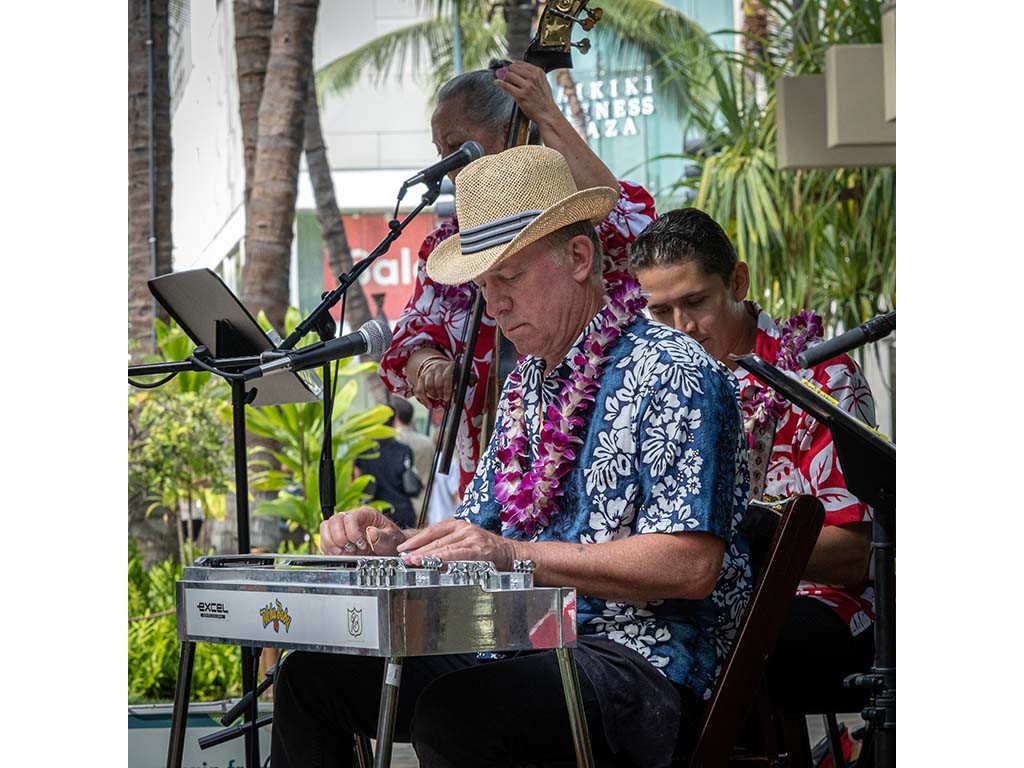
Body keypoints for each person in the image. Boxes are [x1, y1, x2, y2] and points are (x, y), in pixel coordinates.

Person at [270, 146, 752, 768]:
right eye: (483, 286)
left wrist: (514, 555)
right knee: (311, 677)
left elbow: (689, 565)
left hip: (639, 664)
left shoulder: (675, 370)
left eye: (510, 277)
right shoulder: (527, 382)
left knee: (456, 712)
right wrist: (397, 543)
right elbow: (481, 534)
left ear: (578, 258)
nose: (493, 305)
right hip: (520, 642)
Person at [627, 207, 877, 714]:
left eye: (695, 302)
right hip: (686, 602)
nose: (682, 328)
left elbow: (854, 553)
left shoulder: (821, 378)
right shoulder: (646, 387)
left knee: (677, 657)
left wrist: (728, 539)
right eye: (661, 312)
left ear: (737, 282)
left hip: (817, 604)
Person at [378, 59, 656, 498]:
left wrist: (546, 114)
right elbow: (412, 338)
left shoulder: (571, 220)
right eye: (441, 152)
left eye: (459, 147)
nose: (448, 166)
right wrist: (429, 366)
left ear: (511, 131)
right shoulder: (449, 242)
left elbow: (634, 232)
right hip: (488, 464)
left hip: (593, 440)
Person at [353, 411, 419, 530]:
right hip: (404, 511)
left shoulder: (364, 451)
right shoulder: (404, 449)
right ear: (394, 422)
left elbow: (358, 483)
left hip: (376, 512)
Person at [390, 396, 434, 512]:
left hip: (398, 506)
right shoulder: (427, 442)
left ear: (395, 415)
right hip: (424, 504)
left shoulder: (392, 441)